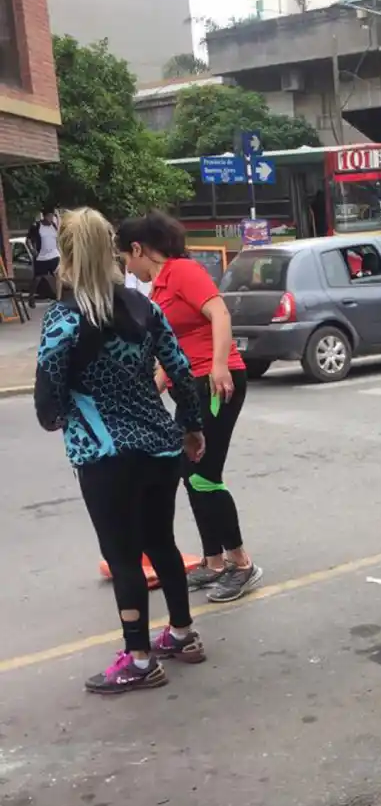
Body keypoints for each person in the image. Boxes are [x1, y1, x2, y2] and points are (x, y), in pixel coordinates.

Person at [34, 208, 207, 693]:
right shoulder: (143, 307)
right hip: (157, 445)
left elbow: (47, 396)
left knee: (123, 554)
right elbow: (178, 365)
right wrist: (190, 427)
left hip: (104, 454)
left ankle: (138, 661)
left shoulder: (64, 319)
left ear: (66, 256)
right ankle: (183, 634)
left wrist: (59, 418)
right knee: (162, 543)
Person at [116, 211, 262, 602]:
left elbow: (219, 312)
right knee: (188, 472)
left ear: (138, 249)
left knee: (204, 474)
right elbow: (172, 351)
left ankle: (242, 564)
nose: (127, 268)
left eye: (125, 259)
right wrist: (149, 390)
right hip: (191, 385)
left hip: (217, 381)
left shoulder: (182, 271)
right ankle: (213, 562)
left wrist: (217, 366)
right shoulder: (160, 288)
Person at [27, 208, 60, 305]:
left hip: (54, 255)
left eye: (52, 216)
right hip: (41, 256)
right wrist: (32, 250)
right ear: (44, 216)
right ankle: (31, 296)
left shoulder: (54, 226)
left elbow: (57, 240)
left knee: (59, 276)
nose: (51, 218)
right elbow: (28, 240)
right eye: (49, 216)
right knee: (38, 278)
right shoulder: (36, 226)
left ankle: (59, 297)